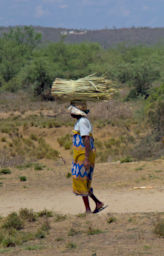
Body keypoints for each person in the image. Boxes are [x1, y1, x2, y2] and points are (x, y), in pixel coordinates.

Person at [68, 101, 104, 214]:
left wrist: (86, 159)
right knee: (83, 180)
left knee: (81, 179)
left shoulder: (82, 122)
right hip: (81, 156)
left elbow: (86, 139)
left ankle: (88, 210)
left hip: (84, 155)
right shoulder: (80, 122)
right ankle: (97, 203)